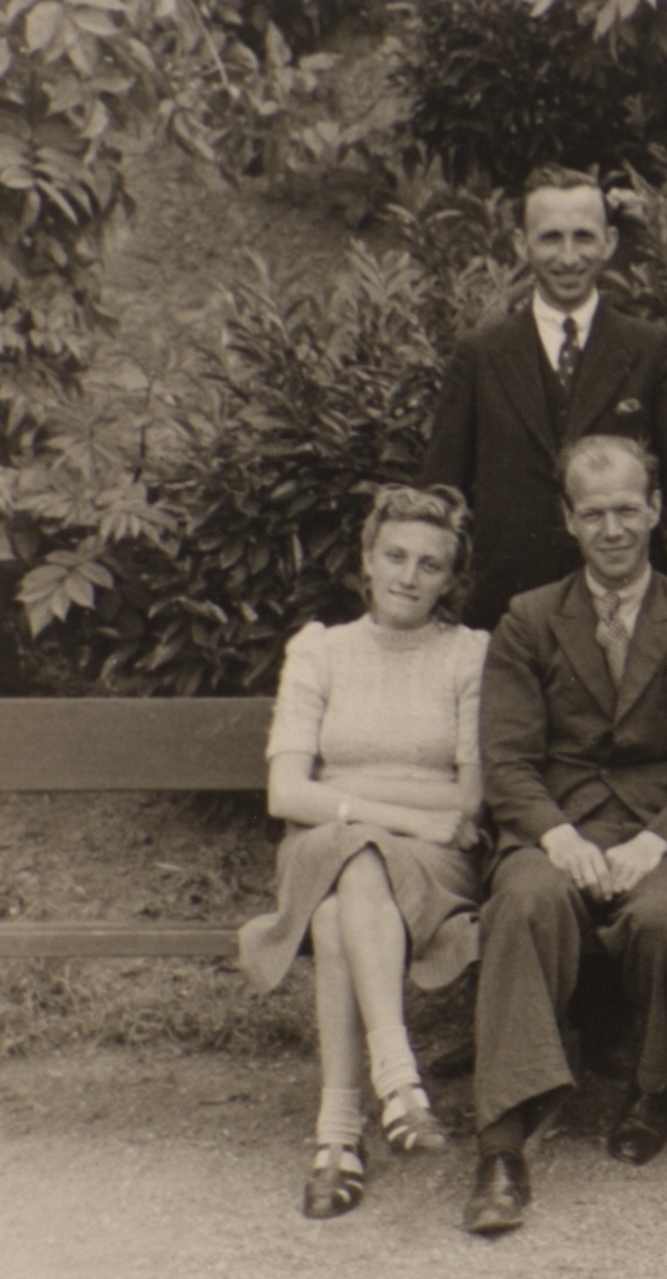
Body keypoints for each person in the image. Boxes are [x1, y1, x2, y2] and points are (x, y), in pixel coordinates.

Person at [465, 434, 667, 1236]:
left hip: (663, 831)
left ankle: (651, 1089)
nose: (613, 528)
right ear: (568, 520)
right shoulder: (529, 620)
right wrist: (556, 836)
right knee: (522, 905)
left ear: (655, 510)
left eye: (627, 509)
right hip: (557, 825)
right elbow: (508, 759)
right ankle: (502, 1142)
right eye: (594, 514)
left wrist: (655, 842)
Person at [241, 485, 487, 1219]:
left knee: (340, 904)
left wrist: (344, 794)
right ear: (367, 560)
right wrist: (401, 811)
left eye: (430, 564)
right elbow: (286, 793)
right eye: (395, 556)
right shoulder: (320, 650)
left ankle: (338, 1135)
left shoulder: (469, 655)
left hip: (428, 863)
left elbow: (471, 798)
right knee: (357, 857)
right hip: (339, 843)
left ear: (450, 578)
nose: (409, 576)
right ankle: (398, 1076)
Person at [424, 164, 667, 628]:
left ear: (609, 242)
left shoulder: (652, 350)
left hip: (627, 615)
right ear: (521, 245)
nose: (568, 257)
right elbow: (439, 502)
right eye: (551, 238)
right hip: (505, 617)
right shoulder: (480, 356)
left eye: (583, 237)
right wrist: (437, 621)